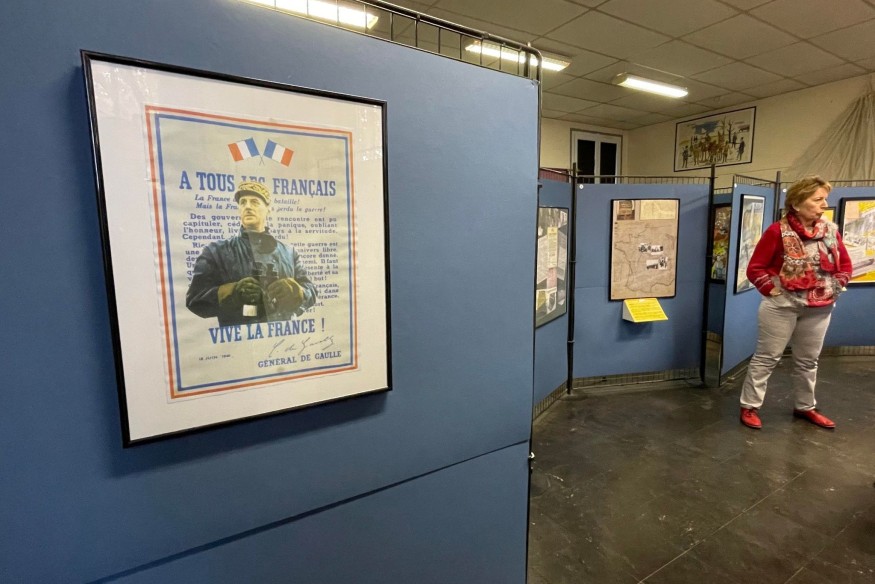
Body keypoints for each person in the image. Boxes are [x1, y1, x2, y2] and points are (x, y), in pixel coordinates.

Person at [739, 176, 852, 429]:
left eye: (824, 199)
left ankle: (805, 406)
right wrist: (772, 291)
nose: (824, 205)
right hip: (782, 306)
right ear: (797, 203)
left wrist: (837, 284)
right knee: (767, 357)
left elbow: (844, 264)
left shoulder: (830, 231)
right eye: (818, 199)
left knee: (808, 361)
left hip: (820, 307)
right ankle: (749, 406)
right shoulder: (776, 231)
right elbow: (755, 268)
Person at [186, 181, 317, 326]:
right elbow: (195, 300)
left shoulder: (289, 253)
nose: (247, 206)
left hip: (284, 335)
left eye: (255, 202)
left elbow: (311, 290)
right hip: (241, 336)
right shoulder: (216, 251)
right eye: (243, 202)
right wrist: (233, 293)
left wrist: (297, 293)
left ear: (268, 209)